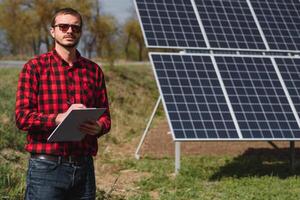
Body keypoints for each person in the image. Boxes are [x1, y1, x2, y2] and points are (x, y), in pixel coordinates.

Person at [15, 7, 111, 200]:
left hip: (84, 167)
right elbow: (22, 117)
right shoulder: (35, 68)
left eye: (75, 27)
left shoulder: (93, 70)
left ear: (81, 32)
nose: (69, 31)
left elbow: (105, 116)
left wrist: (98, 126)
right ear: (53, 31)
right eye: (63, 26)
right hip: (46, 168)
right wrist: (58, 119)